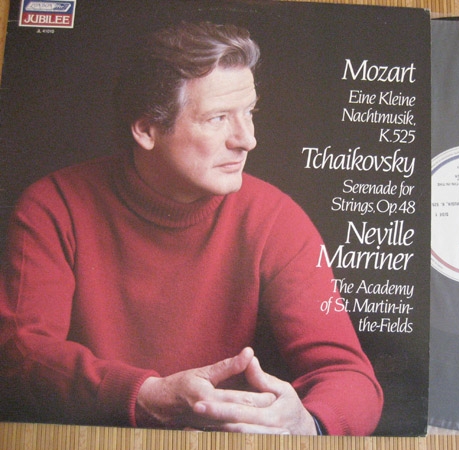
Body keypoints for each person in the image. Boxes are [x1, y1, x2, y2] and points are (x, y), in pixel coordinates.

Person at [0, 21, 383, 435]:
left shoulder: (277, 219)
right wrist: (145, 395)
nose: (247, 140)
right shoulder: (53, 206)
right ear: (146, 129)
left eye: (249, 113)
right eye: (218, 118)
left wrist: (309, 425)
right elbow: (20, 355)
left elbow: (350, 376)